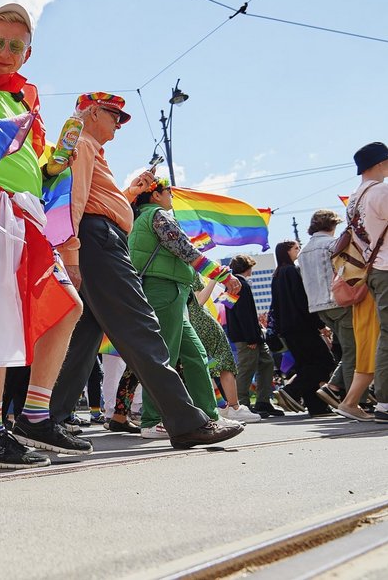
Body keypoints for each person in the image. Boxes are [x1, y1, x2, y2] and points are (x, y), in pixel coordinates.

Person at [49, 92, 243, 450]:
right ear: (93, 113)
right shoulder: (84, 144)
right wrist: (70, 253)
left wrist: (126, 193)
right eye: (114, 118)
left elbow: (93, 199)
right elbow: (74, 200)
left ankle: (48, 419)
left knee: (85, 339)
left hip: (98, 241)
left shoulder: (89, 146)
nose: (118, 127)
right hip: (98, 243)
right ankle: (185, 421)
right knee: (142, 330)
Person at [0, 3, 89, 469]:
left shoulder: (26, 103)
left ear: (28, 54)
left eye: (15, 46)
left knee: (67, 307)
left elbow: (36, 169)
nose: (5, 52)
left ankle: (34, 416)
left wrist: (56, 161)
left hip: (26, 211)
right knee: (0, 312)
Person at [126, 178, 244, 438]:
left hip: (171, 291)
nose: (171, 196)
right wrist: (224, 275)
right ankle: (152, 420)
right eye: (168, 191)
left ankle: (209, 417)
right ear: (155, 195)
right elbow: (187, 251)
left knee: (195, 355)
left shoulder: (138, 218)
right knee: (163, 357)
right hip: (163, 289)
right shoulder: (157, 215)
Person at [298, 209, 371, 420]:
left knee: (348, 350)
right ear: (332, 225)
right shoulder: (332, 244)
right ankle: (355, 400)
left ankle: (334, 387)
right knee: (354, 350)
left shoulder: (304, 251)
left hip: (318, 306)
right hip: (339, 301)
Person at [269, 241, 335, 416]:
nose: (298, 251)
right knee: (325, 362)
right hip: (302, 326)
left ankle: (316, 407)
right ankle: (291, 390)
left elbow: (275, 305)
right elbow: (302, 301)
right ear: (287, 252)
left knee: (307, 365)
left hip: (289, 329)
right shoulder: (291, 271)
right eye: (296, 248)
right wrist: (320, 324)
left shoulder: (276, 275)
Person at [187, 276, 260, 423]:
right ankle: (233, 407)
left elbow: (222, 304)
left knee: (207, 365)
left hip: (195, 321)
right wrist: (214, 278)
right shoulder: (193, 270)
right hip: (203, 322)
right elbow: (199, 301)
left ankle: (221, 406)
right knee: (224, 362)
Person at [352, 142, 388, 423]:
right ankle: (385, 403)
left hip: (373, 270)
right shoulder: (380, 191)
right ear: (380, 163)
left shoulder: (355, 199)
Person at [225, 255, 284, 417]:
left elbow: (230, 311)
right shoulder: (240, 284)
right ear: (247, 267)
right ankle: (241, 404)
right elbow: (244, 314)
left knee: (266, 362)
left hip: (246, 334)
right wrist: (251, 337)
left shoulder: (230, 285)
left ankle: (263, 401)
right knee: (247, 368)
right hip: (248, 337)